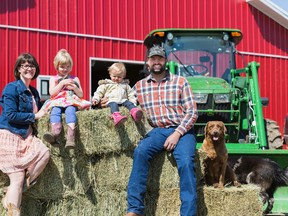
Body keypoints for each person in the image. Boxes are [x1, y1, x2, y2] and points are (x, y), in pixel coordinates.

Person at [126, 45, 198, 216]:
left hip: (183, 131)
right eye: (153, 59)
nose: (156, 62)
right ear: (148, 62)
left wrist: (177, 133)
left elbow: (192, 112)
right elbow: (125, 101)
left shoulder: (180, 82)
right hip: (157, 131)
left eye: (160, 58)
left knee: (186, 163)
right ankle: (134, 210)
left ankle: (188, 213)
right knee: (140, 152)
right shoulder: (139, 86)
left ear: (165, 61)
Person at [0, 53, 51, 215]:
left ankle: (10, 195)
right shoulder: (11, 88)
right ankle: (14, 211)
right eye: (24, 65)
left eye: (31, 65)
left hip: (27, 138)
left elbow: (42, 111)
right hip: (10, 135)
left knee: (45, 153)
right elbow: (10, 115)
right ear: (18, 69)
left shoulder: (34, 92)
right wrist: (34, 116)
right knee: (17, 177)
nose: (29, 68)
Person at [42, 49, 91, 148]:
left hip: (70, 100)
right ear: (57, 66)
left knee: (70, 111)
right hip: (58, 100)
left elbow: (81, 94)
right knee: (55, 111)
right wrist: (61, 83)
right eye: (62, 67)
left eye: (68, 66)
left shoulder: (75, 79)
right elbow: (52, 93)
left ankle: (70, 137)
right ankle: (54, 133)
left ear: (71, 66)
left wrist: (75, 88)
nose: (65, 69)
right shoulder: (54, 79)